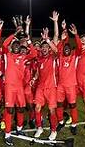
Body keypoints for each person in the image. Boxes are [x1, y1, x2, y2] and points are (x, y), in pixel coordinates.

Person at [2, 28, 37, 146]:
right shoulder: (7, 55)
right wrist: (14, 35)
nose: (16, 46)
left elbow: (34, 54)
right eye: (14, 45)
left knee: (21, 108)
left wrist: (28, 41)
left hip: (19, 87)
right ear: (12, 47)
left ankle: (19, 129)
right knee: (9, 110)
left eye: (18, 45)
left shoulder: (24, 57)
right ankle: (7, 134)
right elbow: (5, 44)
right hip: (9, 87)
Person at [34, 11, 60, 141]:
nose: (44, 48)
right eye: (42, 47)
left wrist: (55, 22)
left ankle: (53, 130)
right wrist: (34, 77)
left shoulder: (52, 56)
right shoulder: (39, 58)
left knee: (51, 110)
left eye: (46, 47)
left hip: (51, 87)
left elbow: (55, 40)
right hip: (40, 87)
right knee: (37, 107)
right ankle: (39, 127)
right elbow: (39, 71)